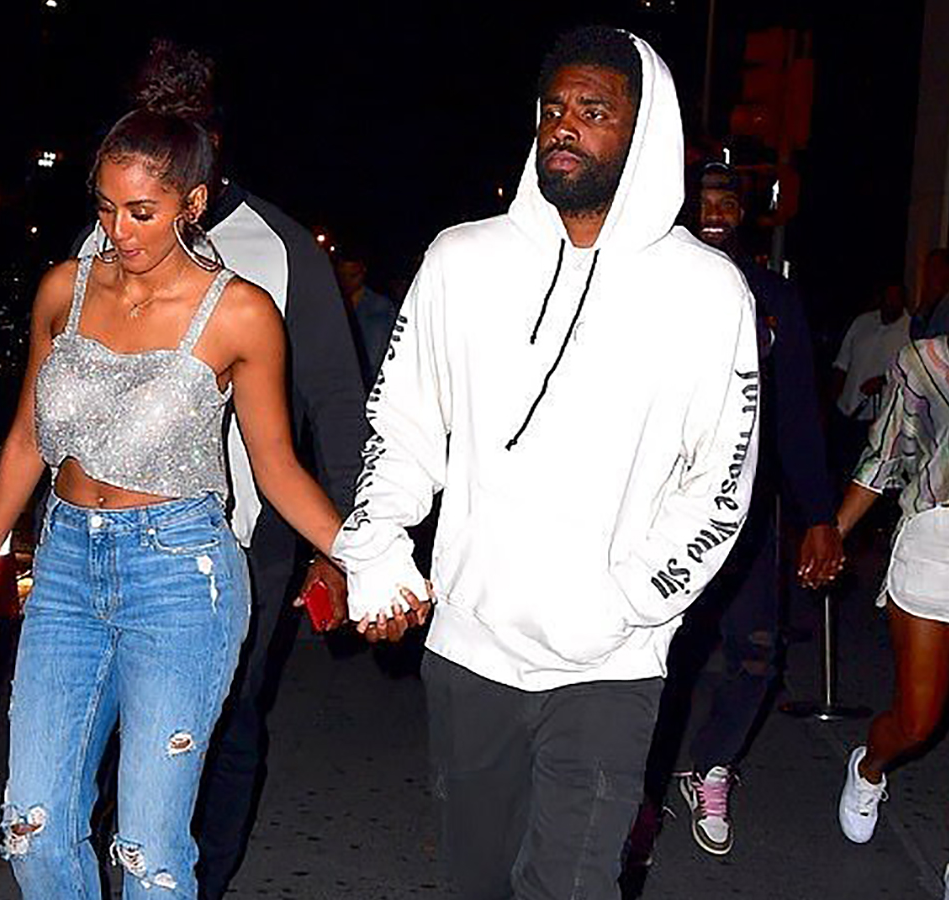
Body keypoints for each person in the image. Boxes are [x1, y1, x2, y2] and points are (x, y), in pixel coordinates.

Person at [332, 27, 761, 899]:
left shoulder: (707, 292)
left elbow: (721, 479)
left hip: (611, 666)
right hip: (469, 647)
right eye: (554, 108)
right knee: (478, 882)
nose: (564, 126)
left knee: (572, 885)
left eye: (593, 111)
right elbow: (404, 424)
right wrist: (375, 548)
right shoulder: (461, 261)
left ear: (644, 134)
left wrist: (633, 601)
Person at [0, 55, 346, 900]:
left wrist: (362, 556)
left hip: (180, 574)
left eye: (141, 212)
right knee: (33, 831)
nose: (118, 231)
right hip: (64, 566)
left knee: (150, 850)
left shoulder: (240, 310)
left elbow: (278, 467)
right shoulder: (64, 288)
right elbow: (26, 438)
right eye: (104, 207)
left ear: (191, 204)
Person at [75, 43, 368, 900]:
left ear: (212, 145)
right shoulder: (100, 238)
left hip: (243, 542)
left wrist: (344, 547)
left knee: (220, 723)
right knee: (107, 729)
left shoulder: (279, 250)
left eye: (184, 132)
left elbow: (338, 406)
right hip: (102, 537)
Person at [643, 162, 843, 857]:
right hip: (657, 506)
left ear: (745, 214)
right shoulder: (649, 281)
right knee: (653, 646)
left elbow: (797, 416)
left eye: (727, 202)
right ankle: (635, 783)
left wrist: (819, 515)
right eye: (704, 201)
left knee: (756, 653)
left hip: (746, 511)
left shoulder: (773, 299)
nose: (716, 212)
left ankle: (712, 765)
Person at [821, 320, 949, 900]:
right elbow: (885, 455)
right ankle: (869, 767)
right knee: (918, 720)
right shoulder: (926, 361)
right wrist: (832, 532)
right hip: (934, 538)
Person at [830, 280, 911, 478]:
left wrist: (882, 380)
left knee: (863, 472)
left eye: (895, 298)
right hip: (846, 408)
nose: (890, 302)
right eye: (887, 297)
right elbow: (842, 363)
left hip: (875, 417)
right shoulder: (863, 322)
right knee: (837, 467)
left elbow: (909, 373)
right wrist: (831, 400)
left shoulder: (909, 330)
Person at [333, 246, 398, 386]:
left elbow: (375, 357)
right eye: (342, 276)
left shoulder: (380, 308)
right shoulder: (331, 304)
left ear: (363, 272)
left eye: (353, 276)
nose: (346, 282)